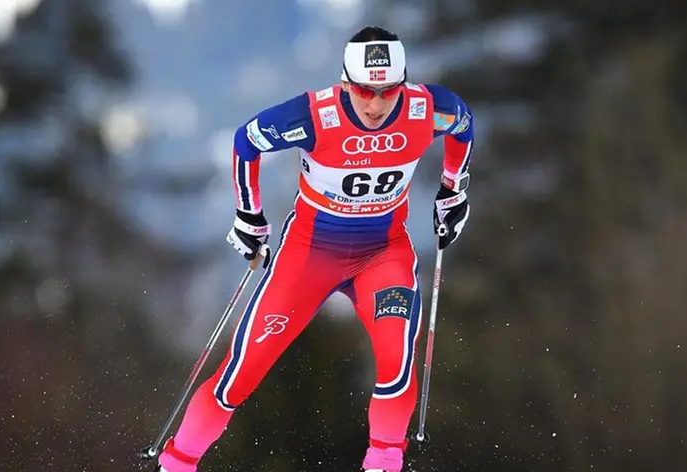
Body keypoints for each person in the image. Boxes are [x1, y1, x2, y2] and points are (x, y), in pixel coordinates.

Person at [155, 25, 474, 472]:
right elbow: (247, 141)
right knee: (238, 377)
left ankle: (383, 462)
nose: (377, 103)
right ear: (346, 82)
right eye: (365, 90)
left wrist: (452, 190)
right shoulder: (314, 115)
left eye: (389, 91)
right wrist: (249, 215)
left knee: (397, 360)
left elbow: (463, 123)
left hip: (383, 253)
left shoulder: (425, 108)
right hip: (309, 257)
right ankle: (177, 464)